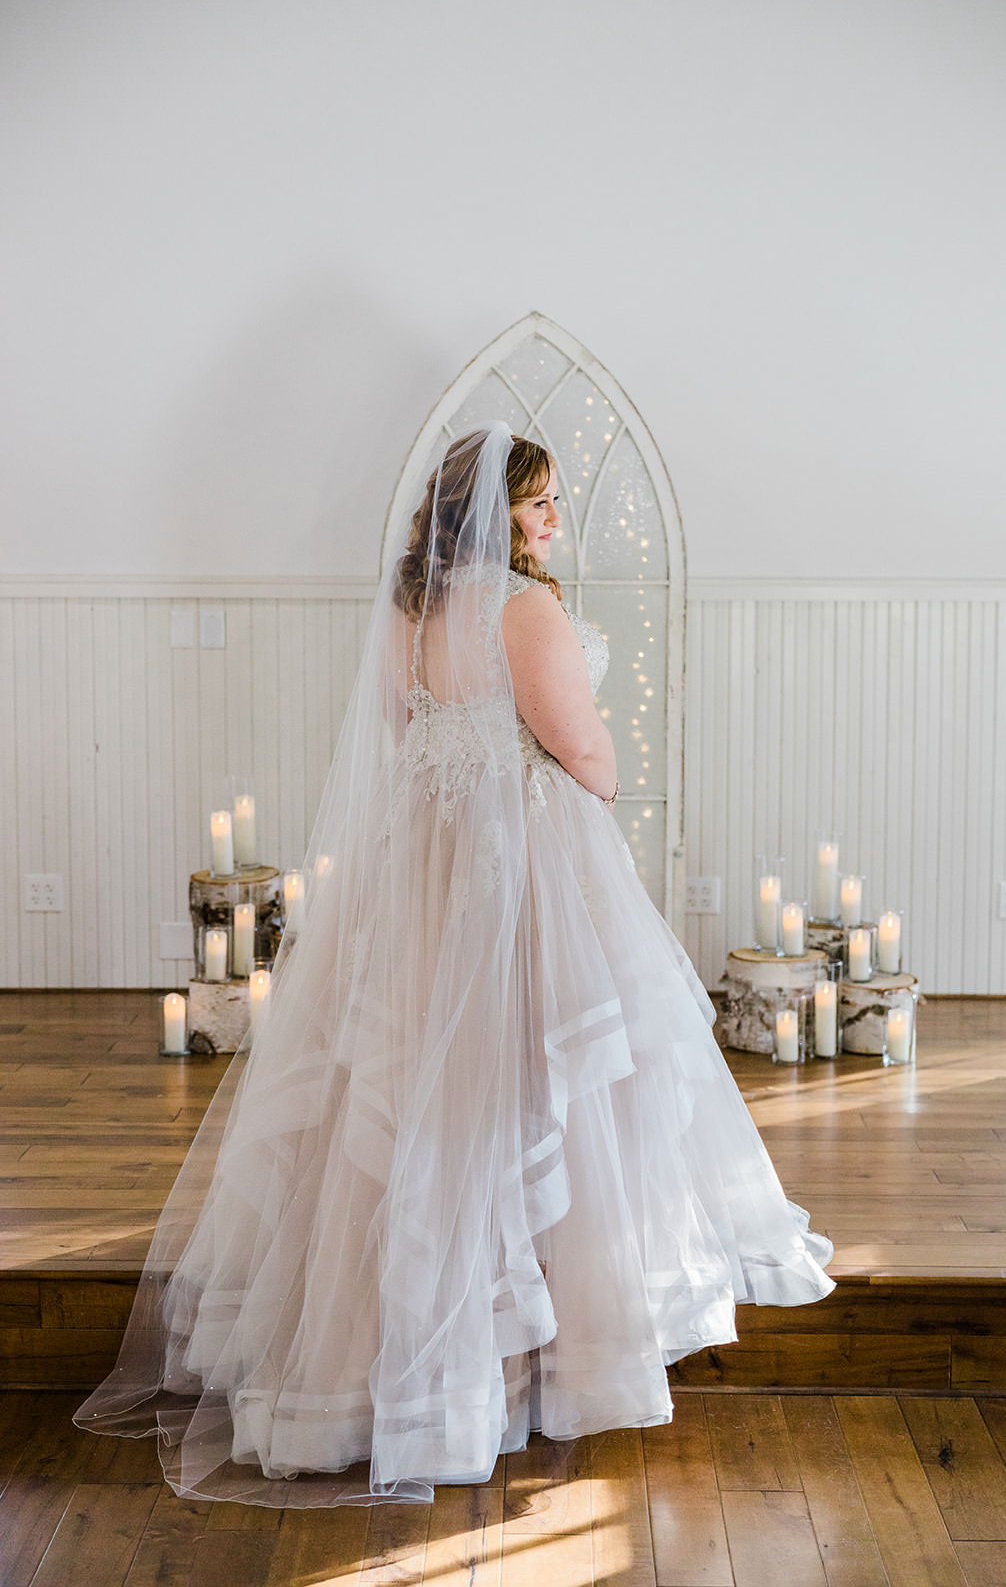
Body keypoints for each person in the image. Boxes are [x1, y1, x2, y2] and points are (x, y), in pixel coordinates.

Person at [73, 421, 834, 1508]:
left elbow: (400, 729)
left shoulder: (406, 612)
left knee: (409, 1087)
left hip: (418, 868)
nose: (555, 519)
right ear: (498, 512)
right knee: (531, 1086)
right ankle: (538, 1356)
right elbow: (576, 742)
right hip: (520, 864)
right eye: (540, 502)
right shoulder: (526, 609)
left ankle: (381, 1372)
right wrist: (602, 780)